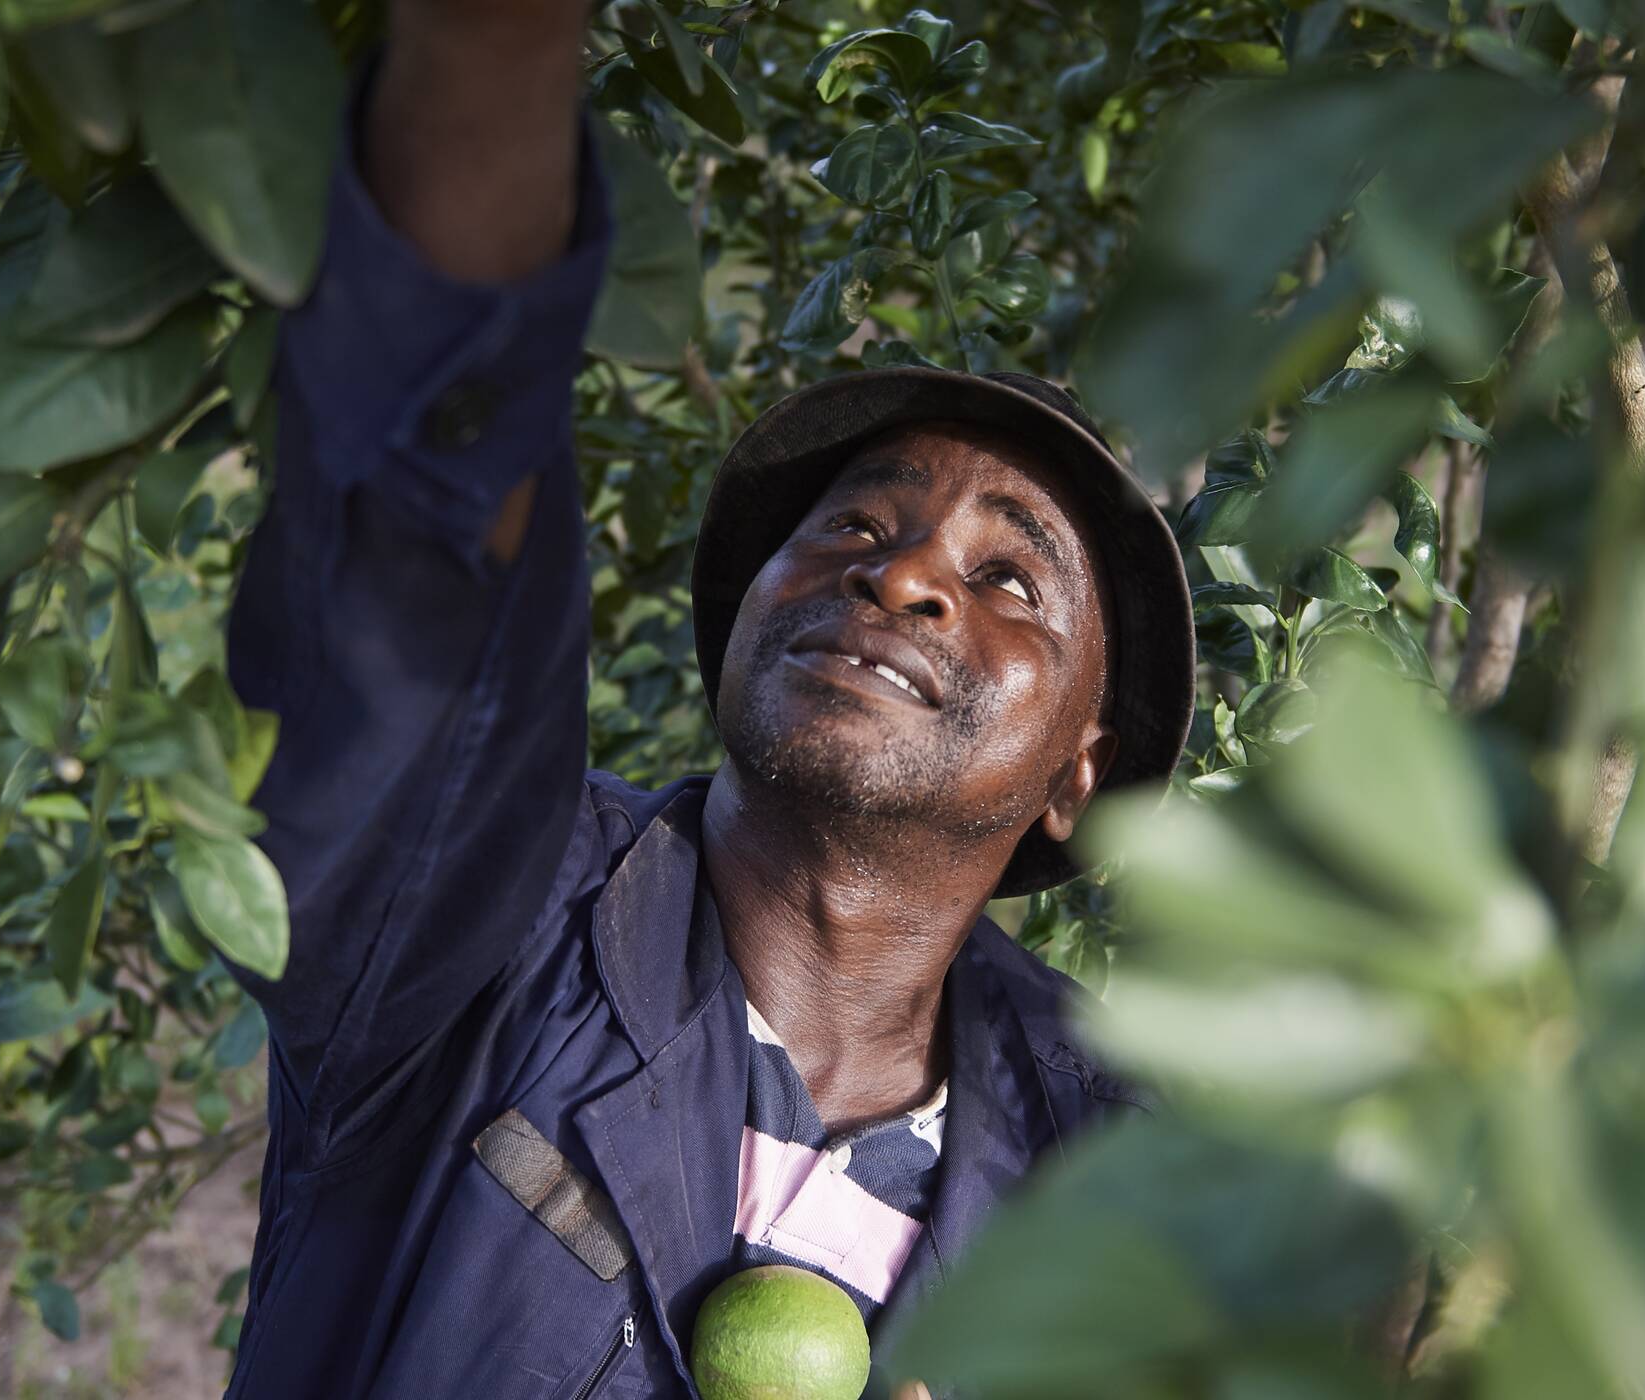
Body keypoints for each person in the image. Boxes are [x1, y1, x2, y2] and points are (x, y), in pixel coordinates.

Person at [218, 0, 1192, 1393]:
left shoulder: (1121, 1175)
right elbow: (413, 541)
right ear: (750, 604)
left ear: (1076, 776)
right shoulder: (487, 927)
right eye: (858, 526)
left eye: (1009, 581)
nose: (909, 572)